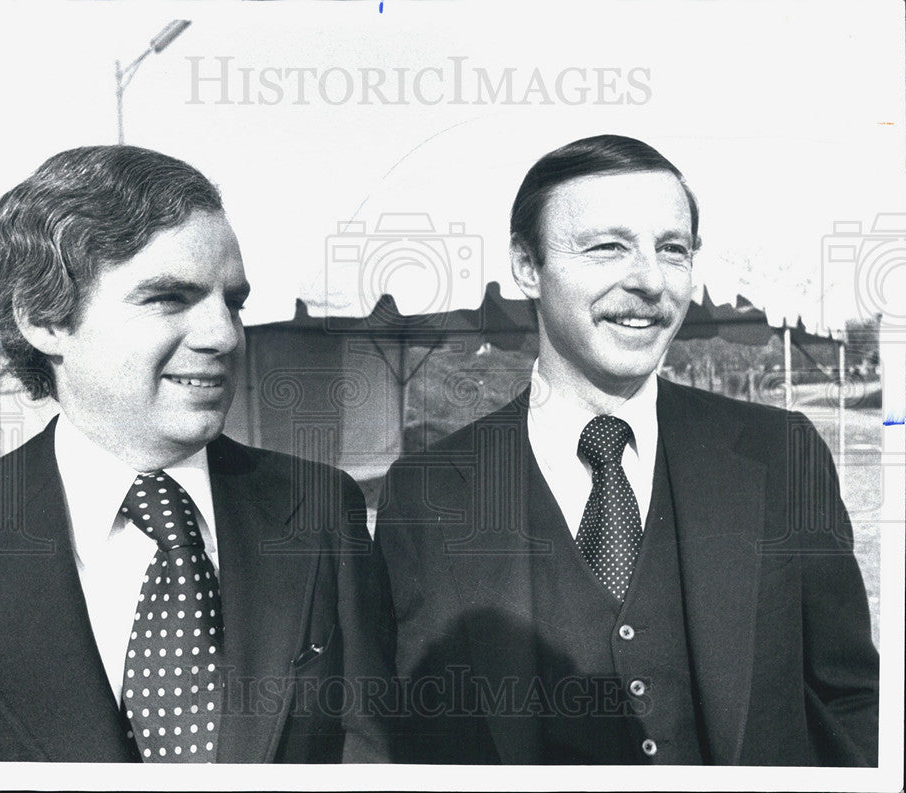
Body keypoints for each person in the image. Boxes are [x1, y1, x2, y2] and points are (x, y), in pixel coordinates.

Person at [374, 134, 879, 765]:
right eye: (608, 247)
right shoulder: (428, 492)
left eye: (673, 249)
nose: (649, 281)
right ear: (528, 267)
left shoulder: (782, 458)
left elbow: (854, 704)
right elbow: (405, 735)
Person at [0, 145, 395, 763]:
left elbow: (368, 754)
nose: (225, 335)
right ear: (44, 319)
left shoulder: (319, 509)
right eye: (168, 299)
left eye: (233, 302)